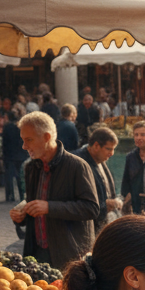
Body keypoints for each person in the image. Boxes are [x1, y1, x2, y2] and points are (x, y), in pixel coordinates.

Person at [9, 111, 100, 270]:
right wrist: (22, 214)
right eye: (23, 140)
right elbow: (33, 201)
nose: (24, 146)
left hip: (69, 256)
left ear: (46, 137)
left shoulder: (77, 166)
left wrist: (49, 207)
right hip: (37, 252)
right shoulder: (31, 167)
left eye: (28, 140)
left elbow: (91, 208)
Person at [74, 127, 121, 230]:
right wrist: (104, 205)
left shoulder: (99, 159)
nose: (112, 153)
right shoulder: (78, 163)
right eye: (108, 149)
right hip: (86, 228)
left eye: (113, 149)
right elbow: (77, 202)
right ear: (96, 146)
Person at [2, 106, 28, 202]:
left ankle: (10, 195)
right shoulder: (21, 127)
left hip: (10, 155)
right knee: (20, 176)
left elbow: (4, 143)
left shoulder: (7, 127)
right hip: (21, 154)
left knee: (9, 177)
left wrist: (3, 156)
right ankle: (22, 195)